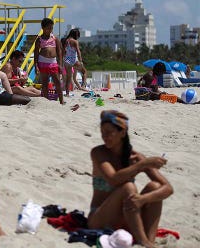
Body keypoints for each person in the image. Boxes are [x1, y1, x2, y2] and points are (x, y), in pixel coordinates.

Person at [87, 110, 173, 248]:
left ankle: (149, 242)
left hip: (128, 216)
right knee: (128, 187)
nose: (105, 136)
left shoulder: (135, 157)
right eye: (102, 132)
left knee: (155, 187)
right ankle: (143, 241)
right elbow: (113, 179)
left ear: (122, 132)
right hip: (99, 218)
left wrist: (143, 199)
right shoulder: (99, 153)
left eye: (109, 132)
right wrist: (142, 165)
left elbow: (168, 188)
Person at [34, 18, 64, 104]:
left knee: (57, 82)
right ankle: (46, 101)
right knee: (45, 83)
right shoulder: (39, 39)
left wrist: (60, 65)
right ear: (43, 28)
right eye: (48, 28)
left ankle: (62, 101)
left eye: (51, 28)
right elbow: (36, 53)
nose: (50, 30)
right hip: (42, 62)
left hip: (53, 62)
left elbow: (59, 52)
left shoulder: (55, 38)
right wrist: (35, 66)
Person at [61, 28, 87, 95]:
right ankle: (83, 86)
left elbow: (63, 51)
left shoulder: (66, 41)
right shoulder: (75, 41)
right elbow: (78, 51)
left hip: (66, 60)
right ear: (76, 35)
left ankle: (67, 93)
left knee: (68, 78)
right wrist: (80, 61)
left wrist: (62, 60)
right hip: (74, 60)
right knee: (84, 72)